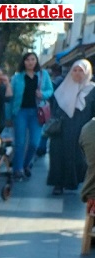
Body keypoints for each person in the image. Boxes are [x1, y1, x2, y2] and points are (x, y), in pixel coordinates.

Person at [47, 60, 95, 195]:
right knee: (57, 155)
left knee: (78, 157)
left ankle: (73, 181)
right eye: (75, 70)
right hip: (61, 128)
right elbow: (54, 106)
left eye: (81, 70)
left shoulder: (92, 89)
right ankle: (58, 184)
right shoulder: (63, 87)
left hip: (82, 128)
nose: (78, 73)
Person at [8, 51, 54, 180]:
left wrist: (43, 94)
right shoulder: (17, 78)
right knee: (20, 143)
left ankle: (26, 164)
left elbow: (50, 90)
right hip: (20, 112)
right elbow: (11, 98)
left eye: (32, 59)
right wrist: (8, 116)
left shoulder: (43, 75)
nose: (30, 62)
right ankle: (17, 169)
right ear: (23, 62)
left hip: (37, 112)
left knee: (34, 143)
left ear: (36, 61)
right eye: (27, 60)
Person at [37, 64, 64, 157]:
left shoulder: (56, 81)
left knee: (46, 129)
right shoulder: (63, 80)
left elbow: (50, 94)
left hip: (54, 109)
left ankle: (41, 148)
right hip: (56, 109)